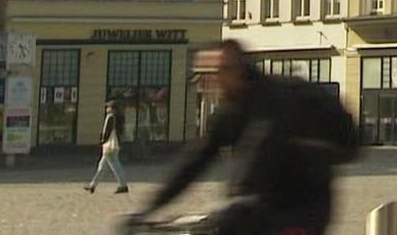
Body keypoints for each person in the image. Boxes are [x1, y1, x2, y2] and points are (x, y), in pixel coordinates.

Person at [126, 39, 358, 235]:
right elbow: (196, 159)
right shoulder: (230, 109)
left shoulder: (283, 97)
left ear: (236, 69)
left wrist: (240, 201)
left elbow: (260, 155)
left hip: (301, 211)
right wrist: (148, 209)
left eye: (216, 73)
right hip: (254, 211)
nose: (211, 81)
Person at [86, 101, 129, 194]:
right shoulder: (119, 118)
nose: (106, 109)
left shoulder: (110, 117)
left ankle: (123, 185)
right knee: (102, 165)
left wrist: (102, 141)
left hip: (109, 145)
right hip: (115, 144)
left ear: (112, 109)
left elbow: (107, 131)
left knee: (115, 165)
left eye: (108, 107)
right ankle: (92, 185)